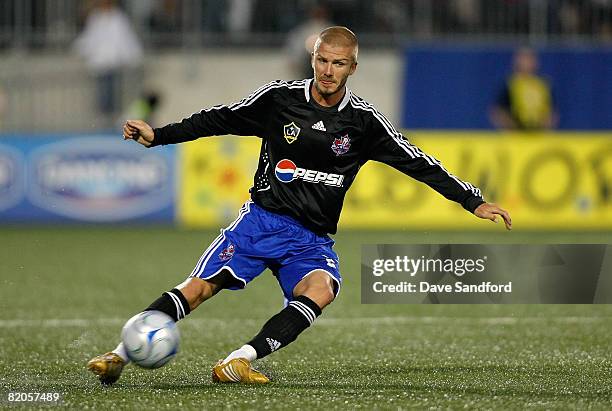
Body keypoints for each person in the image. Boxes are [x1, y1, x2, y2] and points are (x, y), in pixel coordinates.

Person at [88, 26, 512, 385]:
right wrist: (158, 135)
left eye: (339, 63)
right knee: (197, 289)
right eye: (323, 60)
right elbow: (218, 118)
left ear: (353, 68)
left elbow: (417, 161)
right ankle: (120, 354)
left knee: (321, 290)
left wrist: (472, 201)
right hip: (261, 222)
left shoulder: (364, 124)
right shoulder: (280, 99)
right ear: (313, 59)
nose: (329, 71)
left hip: (311, 240)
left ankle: (238, 360)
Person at [489, 47, 558, 130]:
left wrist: (545, 126)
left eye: (530, 59)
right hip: (516, 136)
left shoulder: (542, 85)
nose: (527, 63)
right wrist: (511, 128)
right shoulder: (511, 85)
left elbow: (552, 111)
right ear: (517, 62)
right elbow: (498, 111)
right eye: (524, 59)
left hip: (539, 135)